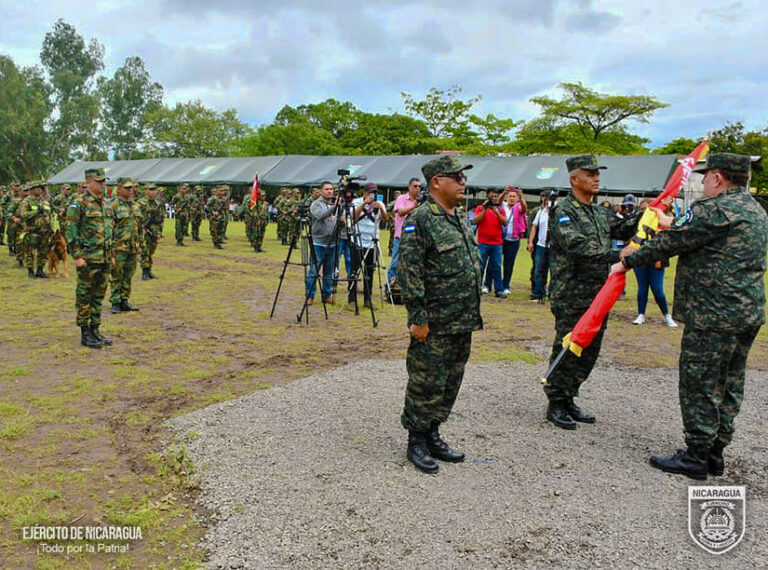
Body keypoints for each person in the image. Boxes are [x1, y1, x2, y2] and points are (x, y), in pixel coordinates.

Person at [612, 153, 767, 479]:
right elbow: (698, 234)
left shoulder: (712, 209)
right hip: (747, 312)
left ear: (718, 177)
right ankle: (715, 452)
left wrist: (626, 261)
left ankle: (696, 455)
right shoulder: (755, 209)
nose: (704, 181)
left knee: (700, 382)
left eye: (706, 175)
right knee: (730, 381)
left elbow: (671, 242)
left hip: (713, 314)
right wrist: (667, 221)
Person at [399, 155, 482, 474]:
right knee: (426, 381)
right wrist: (418, 318)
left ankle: (433, 433)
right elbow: (410, 271)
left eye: (463, 177)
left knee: (450, 380)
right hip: (434, 321)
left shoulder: (459, 217)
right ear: (436, 182)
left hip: (462, 318)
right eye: (457, 177)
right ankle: (417, 440)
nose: (463, 182)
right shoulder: (421, 218)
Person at [544, 154, 638, 430]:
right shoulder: (564, 211)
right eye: (590, 174)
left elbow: (622, 226)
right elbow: (576, 246)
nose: (597, 178)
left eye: (598, 173)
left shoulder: (599, 212)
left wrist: (649, 213)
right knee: (569, 346)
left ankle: (570, 395)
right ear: (574, 179)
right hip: (571, 293)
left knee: (590, 349)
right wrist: (617, 254)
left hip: (598, 293)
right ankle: (556, 401)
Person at [66, 167, 114, 349]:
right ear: (88, 182)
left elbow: (109, 230)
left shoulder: (106, 203)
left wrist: (111, 254)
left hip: (104, 258)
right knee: (84, 295)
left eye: (104, 181)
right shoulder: (79, 203)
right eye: (98, 181)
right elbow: (71, 231)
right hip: (88, 258)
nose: (102, 185)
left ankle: (95, 328)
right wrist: (77, 256)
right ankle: (85, 332)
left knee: (98, 296)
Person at [631, 198, 677, 327]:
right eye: (642, 210)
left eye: (646, 209)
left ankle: (666, 315)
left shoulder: (660, 223)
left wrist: (659, 259)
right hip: (640, 258)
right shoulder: (638, 223)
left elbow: (666, 240)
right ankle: (641, 314)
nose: (644, 212)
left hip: (657, 259)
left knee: (657, 288)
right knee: (642, 287)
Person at [350, 183, 388, 308]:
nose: (373, 195)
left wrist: (381, 208)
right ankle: (351, 300)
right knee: (355, 271)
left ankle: (367, 299)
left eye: (375, 192)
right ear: (364, 192)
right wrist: (364, 204)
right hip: (358, 240)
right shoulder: (356, 202)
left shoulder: (379, 204)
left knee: (370, 271)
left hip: (372, 242)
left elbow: (385, 219)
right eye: (371, 192)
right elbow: (353, 217)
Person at [109, 178, 144, 314]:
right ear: (119, 188)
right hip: (118, 247)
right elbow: (108, 229)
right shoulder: (112, 206)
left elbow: (139, 227)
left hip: (132, 246)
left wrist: (141, 244)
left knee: (129, 274)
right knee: (117, 275)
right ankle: (115, 301)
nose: (130, 190)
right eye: (127, 188)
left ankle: (124, 299)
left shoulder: (135, 206)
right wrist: (110, 250)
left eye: (131, 188)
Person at [306, 181, 340, 305]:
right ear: (321, 191)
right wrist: (334, 208)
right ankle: (310, 295)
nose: (330, 191)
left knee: (329, 271)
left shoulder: (335, 204)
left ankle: (327, 295)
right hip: (318, 243)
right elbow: (320, 216)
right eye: (327, 189)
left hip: (332, 242)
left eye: (331, 189)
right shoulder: (316, 204)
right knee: (314, 270)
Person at [473, 188, 508, 298]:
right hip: (482, 242)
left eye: (496, 196)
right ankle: (477, 288)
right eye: (491, 196)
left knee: (497, 266)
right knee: (480, 266)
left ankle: (499, 290)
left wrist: (496, 212)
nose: (494, 198)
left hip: (496, 243)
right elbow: (475, 221)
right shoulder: (480, 208)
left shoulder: (500, 209)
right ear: (487, 197)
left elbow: (505, 222)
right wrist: (485, 209)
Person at [387, 178, 422, 288]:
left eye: (419, 186)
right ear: (409, 187)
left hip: (415, 238)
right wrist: (413, 206)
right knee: (395, 264)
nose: (418, 188)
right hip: (401, 237)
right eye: (415, 186)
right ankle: (389, 288)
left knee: (412, 265)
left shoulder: (422, 202)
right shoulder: (401, 198)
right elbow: (400, 212)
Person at [19, 181, 54, 278]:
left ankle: (40, 270)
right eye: (36, 188)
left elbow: (50, 215)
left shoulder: (45, 201)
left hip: (45, 231)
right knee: (30, 252)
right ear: (32, 190)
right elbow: (24, 215)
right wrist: (36, 211)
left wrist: (51, 228)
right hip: (32, 231)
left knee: (43, 252)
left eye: (40, 188)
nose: (39, 190)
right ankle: (30, 270)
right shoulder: (27, 201)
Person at [527, 191, 555, 302]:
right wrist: (530, 242)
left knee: (553, 271)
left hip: (553, 246)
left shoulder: (558, 213)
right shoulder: (540, 212)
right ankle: (538, 293)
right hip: (541, 245)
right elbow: (534, 227)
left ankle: (552, 294)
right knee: (539, 270)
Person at [500, 186, 527, 295]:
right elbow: (498, 202)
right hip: (500, 239)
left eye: (514, 197)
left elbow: (524, 209)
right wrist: (503, 192)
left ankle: (506, 285)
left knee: (508, 264)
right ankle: (490, 284)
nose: (512, 198)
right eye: (510, 196)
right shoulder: (503, 206)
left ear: (517, 199)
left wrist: (521, 197)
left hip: (513, 240)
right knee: (495, 263)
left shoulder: (518, 206)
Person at [139, 183, 164, 280]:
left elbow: (160, 217)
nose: (153, 192)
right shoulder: (141, 203)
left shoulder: (157, 203)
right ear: (146, 191)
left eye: (154, 190)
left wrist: (159, 231)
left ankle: (149, 270)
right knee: (145, 251)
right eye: (151, 190)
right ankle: (144, 271)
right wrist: (141, 228)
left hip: (154, 231)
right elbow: (137, 217)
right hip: (145, 230)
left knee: (151, 251)